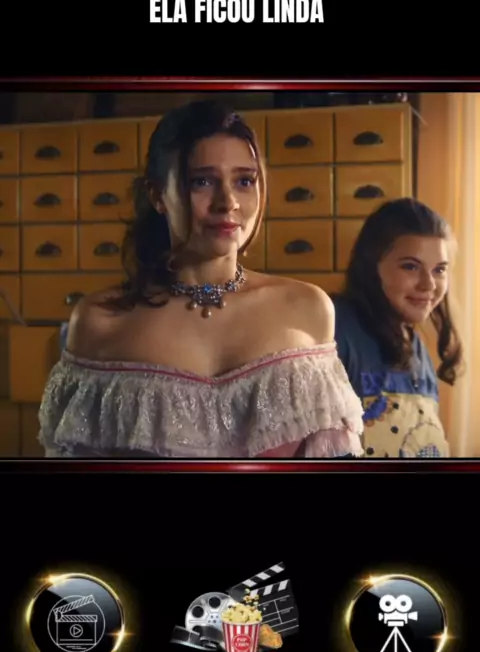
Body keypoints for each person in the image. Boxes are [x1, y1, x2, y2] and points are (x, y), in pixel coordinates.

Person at [37, 101, 364, 458]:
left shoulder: (307, 309)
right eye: (202, 181)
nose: (228, 202)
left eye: (244, 180)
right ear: (157, 195)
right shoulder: (101, 322)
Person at [331, 198, 464, 458]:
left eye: (439, 270)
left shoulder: (417, 348)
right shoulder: (337, 328)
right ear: (372, 267)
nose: (428, 284)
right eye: (410, 266)